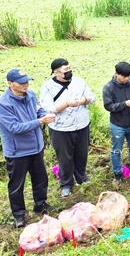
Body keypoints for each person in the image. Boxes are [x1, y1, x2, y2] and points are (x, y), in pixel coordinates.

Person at [0, 69, 55, 228]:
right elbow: (14, 127)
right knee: (16, 185)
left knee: (41, 178)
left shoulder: (31, 95)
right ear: (10, 84)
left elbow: (38, 109)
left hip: (36, 148)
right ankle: (19, 215)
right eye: (21, 83)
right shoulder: (2, 104)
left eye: (27, 81)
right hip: (17, 152)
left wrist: (44, 114)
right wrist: (40, 121)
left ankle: (40, 204)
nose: (26, 85)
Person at [40, 58, 95, 197]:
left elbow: (92, 97)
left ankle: (81, 177)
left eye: (70, 69)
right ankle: (66, 183)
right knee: (65, 157)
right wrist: (66, 104)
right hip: (61, 128)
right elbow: (47, 109)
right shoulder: (48, 87)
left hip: (81, 125)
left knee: (82, 154)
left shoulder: (79, 82)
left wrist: (85, 100)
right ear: (56, 72)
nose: (69, 72)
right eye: (65, 71)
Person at [103, 62, 130, 186]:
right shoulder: (109, 87)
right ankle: (117, 173)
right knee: (116, 149)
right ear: (116, 74)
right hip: (117, 125)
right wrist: (124, 104)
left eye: (128, 76)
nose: (127, 79)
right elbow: (108, 106)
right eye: (124, 76)